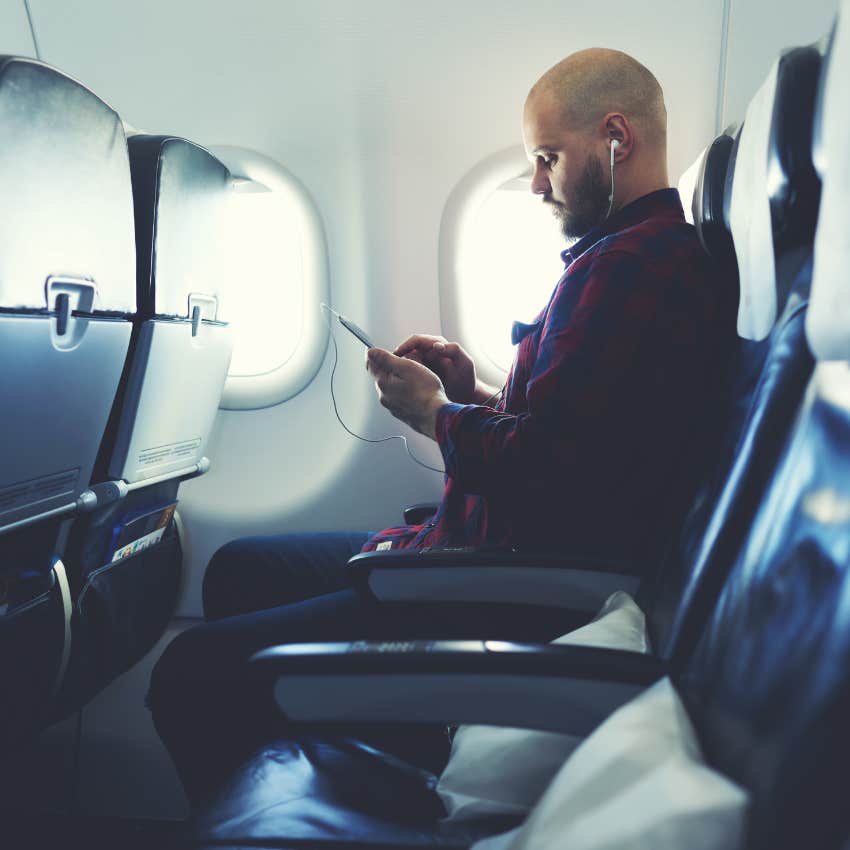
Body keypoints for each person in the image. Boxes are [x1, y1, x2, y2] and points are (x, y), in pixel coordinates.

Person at [148, 47, 737, 804]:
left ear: (616, 138)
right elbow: (578, 430)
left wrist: (435, 413)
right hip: (479, 550)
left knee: (190, 675)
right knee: (241, 569)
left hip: (508, 583)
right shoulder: (618, 259)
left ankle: (309, 774)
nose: (536, 183)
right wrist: (470, 390)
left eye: (548, 157)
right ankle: (309, 765)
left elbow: (549, 466)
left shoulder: (634, 269)